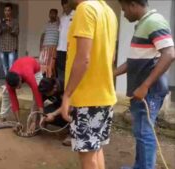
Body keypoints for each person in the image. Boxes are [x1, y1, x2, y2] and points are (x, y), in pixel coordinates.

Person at [115, 0, 175, 168]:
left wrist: (145, 86)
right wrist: (110, 74)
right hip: (141, 90)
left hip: (149, 91)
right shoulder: (143, 24)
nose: (124, 13)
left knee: (144, 132)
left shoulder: (154, 21)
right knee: (140, 131)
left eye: (124, 9)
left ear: (133, 4)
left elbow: (169, 54)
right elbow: (134, 62)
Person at [60, 0, 118, 169]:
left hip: (87, 97)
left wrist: (67, 95)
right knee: (96, 149)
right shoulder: (108, 12)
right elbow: (111, 57)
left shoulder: (85, 9)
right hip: (105, 95)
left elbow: (83, 58)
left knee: (87, 157)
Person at [0, 57, 43, 132]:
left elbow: (38, 96)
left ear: (20, 79)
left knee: (38, 93)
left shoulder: (29, 75)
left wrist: (35, 121)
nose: (18, 88)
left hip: (35, 70)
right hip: (22, 67)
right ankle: (3, 117)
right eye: (15, 87)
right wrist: (18, 122)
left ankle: (35, 120)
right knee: (6, 92)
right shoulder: (9, 82)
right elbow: (14, 102)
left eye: (18, 86)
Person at [38, 77, 70, 146]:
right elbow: (39, 103)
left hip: (71, 106)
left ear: (54, 87)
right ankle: (43, 124)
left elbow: (68, 105)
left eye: (47, 93)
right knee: (44, 112)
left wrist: (53, 114)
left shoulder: (64, 85)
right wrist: (41, 117)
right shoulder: (46, 87)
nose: (46, 95)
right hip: (59, 105)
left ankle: (72, 134)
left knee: (73, 113)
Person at [0, 3, 19, 75]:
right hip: (3, 47)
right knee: (5, 67)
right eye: (5, 10)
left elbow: (16, 33)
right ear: (4, 11)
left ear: (11, 11)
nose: (7, 12)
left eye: (8, 10)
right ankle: (8, 83)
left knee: (11, 67)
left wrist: (10, 26)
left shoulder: (15, 21)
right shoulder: (1, 21)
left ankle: (11, 83)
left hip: (11, 48)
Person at [56, 0, 75, 81]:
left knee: (69, 69)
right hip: (60, 48)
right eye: (64, 6)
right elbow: (59, 32)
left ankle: (68, 88)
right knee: (60, 69)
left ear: (70, 5)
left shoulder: (76, 15)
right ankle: (62, 89)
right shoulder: (62, 18)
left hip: (70, 49)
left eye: (67, 6)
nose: (65, 8)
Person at [39, 8, 59, 78]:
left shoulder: (59, 24)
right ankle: (45, 80)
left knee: (52, 66)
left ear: (56, 15)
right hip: (45, 48)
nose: (52, 15)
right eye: (50, 13)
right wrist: (41, 47)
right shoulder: (46, 24)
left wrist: (58, 19)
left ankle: (52, 81)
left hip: (54, 48)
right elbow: (42, 36)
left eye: (54, 13)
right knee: (44, 66)